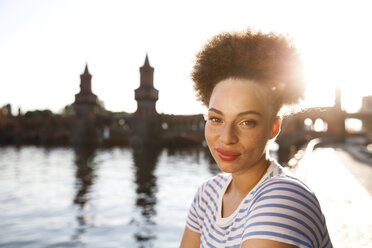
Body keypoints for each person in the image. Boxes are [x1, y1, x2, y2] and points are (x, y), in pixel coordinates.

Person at [180, 29, 333, 248]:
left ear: (273, 127)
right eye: (216, 119)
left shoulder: (285, 199)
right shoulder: (207, 195)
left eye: (246, 122)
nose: (226, 138)